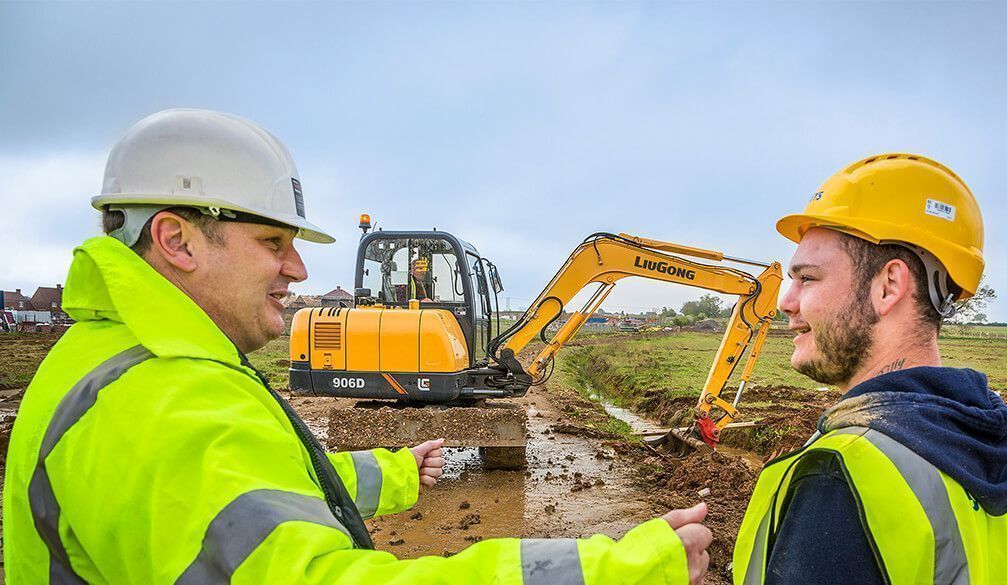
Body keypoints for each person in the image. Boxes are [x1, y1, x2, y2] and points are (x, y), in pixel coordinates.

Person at [3, 109, 711, 584]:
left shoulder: (111, 361)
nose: (300, 271)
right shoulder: (161, 401)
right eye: (272, 242)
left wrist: (396, 469)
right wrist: (623, 565)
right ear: (176, 240)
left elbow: (268, 498)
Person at [733, 154, 1007, 585]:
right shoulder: (989, 449)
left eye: (808, 279)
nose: (785, 301)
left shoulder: (843, 473)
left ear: (888, 286)